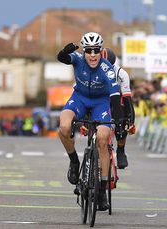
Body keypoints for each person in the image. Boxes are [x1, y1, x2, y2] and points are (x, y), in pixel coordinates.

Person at [57, 32, 125, 211]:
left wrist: (117, 120)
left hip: (101, 103)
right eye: (89, 51)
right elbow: (62, 58)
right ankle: (73, 161)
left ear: (101, 51)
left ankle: (102, 190)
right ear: (84, 51)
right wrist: (65, 51)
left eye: (96, 51)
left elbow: (115, 97)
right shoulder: (78, 60)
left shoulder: (107, 69)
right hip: (79, 98)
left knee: (103, 139)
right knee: (64, 126)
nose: (93, 55)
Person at [102, 48, 135, 169]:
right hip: (100, 100)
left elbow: (127, 100)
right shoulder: (91, 70)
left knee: (121, 118)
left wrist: (130, 120)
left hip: (116, 101)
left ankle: (121, 150)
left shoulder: (121, 74)